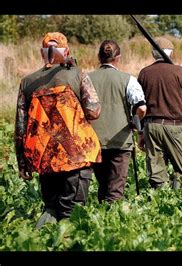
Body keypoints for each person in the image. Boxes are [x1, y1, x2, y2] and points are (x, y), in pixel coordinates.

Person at [14, 32, 101, 228]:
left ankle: (37, 240)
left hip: (45, 158)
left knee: (51, 207)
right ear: (67, 51)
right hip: (75, 156)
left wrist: (22, 162)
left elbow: (20, 126)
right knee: (73, 212)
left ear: (41, 53)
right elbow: (94, 111)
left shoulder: (27, 82)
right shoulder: (78, 74)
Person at [89, 40, 146, 202]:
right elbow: (141, 108)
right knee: (115, 190)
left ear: (99, 56)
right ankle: (113, 223)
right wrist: (135, 122)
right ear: (118, 58)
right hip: (120, 142)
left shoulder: (86, 79)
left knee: (103, 186)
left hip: (95, 141)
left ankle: (100, 221)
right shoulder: (128, 80)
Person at [138, 37, 182, 189]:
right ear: (171, 53)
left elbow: (138, 104)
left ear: (153, 54)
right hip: (174, 127)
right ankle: (180, 200)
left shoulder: (144, 73)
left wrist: (140, 132)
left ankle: (160, 201)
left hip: (151, 127)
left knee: (156, 172)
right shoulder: (178, 71)